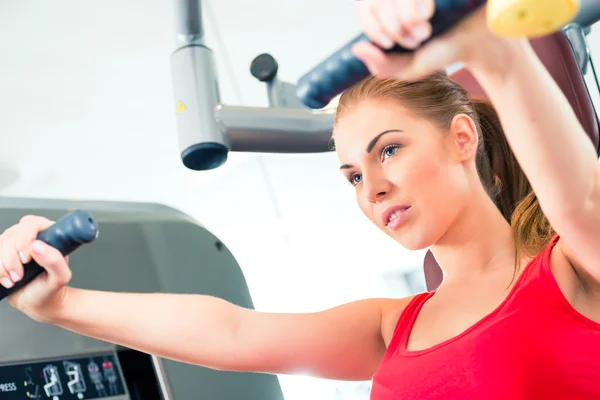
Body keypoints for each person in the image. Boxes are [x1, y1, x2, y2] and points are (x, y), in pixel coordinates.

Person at [2, 1, 600, 398]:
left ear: (461, 137)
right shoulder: (394, 325)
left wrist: (493, 50)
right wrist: (58, 305)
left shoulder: (573, 264)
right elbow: (232, 333)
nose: (372, 189)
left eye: (388, 150)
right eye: (351, 177)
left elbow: (582, 205)